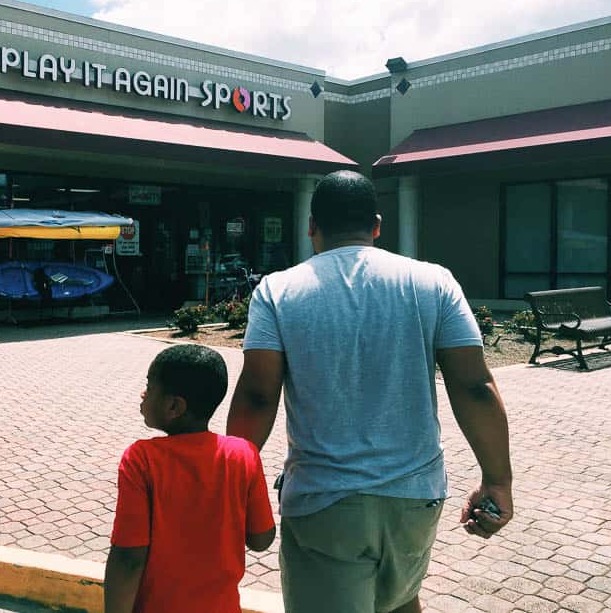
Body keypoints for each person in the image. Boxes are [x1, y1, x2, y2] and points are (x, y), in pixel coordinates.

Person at [226, 171, 513, 613]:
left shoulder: (278, 291)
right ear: (377, 225)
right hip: (416, 498)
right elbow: (473, 386)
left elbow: (258, 396)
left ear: (311, 226)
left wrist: (231, 486)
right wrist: (498, 481)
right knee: (398, 603)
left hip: (325, 500)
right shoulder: (432, 282)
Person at [105, 344, 276, 613]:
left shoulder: (141, 459)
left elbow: (128, 558)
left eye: (149, 387)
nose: (143, 393)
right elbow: (261, 539)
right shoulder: (243, 455)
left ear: (174, 406)